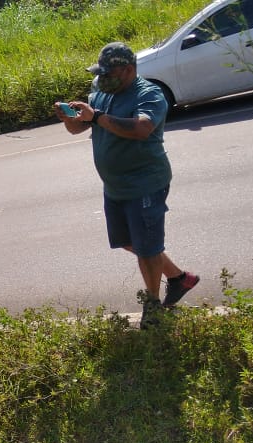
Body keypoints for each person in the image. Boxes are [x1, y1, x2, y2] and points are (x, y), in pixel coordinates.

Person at [56, 42, 200, 328]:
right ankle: (179, 279)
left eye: (109, 73)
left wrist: (96, 116)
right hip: (115, 186)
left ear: (129, 70)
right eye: (100, 72)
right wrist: (70, 119)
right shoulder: (101, 94)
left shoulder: (148, 94)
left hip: (145, 182)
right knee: (129, 241)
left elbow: (141, 129)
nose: (102, 78)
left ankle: (153, 307)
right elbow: (79, 127)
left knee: (147, 248)